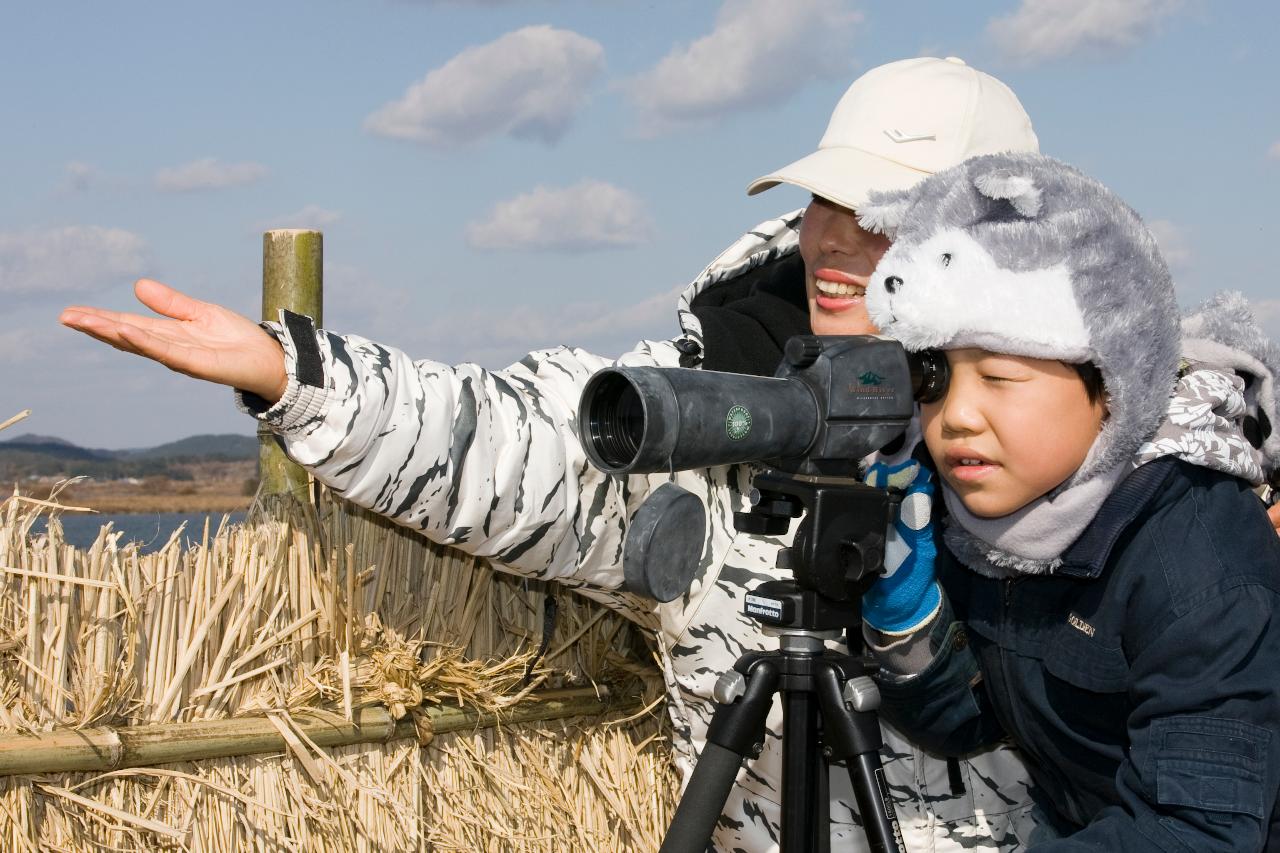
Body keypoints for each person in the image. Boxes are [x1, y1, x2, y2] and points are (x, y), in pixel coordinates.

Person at [57, 57, 1277, 849]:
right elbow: (497, 446)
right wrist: (295, 374)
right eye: (825, 205)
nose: (843, 243)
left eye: (891, 214)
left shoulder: (1085, 460)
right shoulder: (714, 406)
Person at [852, 151, 1280, 850]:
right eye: (932, 380)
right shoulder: (990, 519)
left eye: (998, 375)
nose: (956, 414)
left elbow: (1198, 830)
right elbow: (973, 724)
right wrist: (909, 631)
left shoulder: (1196, 557)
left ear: (1112, 384)